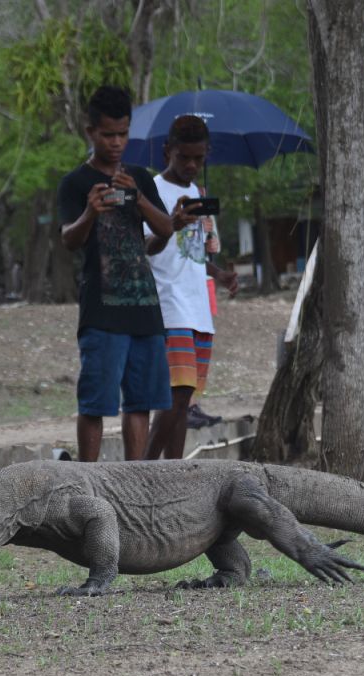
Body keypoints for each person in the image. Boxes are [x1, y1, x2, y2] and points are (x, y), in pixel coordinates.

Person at [57, 85, 175, 462]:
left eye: (123, 133)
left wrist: (138, 197)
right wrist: (89, 213)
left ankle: (135, 481)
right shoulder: (75, 182)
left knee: (140, 404)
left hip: (144, 309)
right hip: (102, 313)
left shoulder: (140, 176)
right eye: (108, 134)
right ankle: (87, 481)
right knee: (95, 402)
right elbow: (68, 240)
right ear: (90, 131)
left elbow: (166, 229)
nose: (117, 142)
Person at [142, 115, 239, 459]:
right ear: (168, 151)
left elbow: (194, 254)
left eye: (199, 158)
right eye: (184, 157)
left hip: (199, 309)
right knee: (174, 395)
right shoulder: (152, 189)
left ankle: (174, 474)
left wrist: (220, 275)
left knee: (185, 401)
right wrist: (171, 223)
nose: (192, 165)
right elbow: (147, 247)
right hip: (170, 306)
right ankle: (145, 471)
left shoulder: (197, 192)